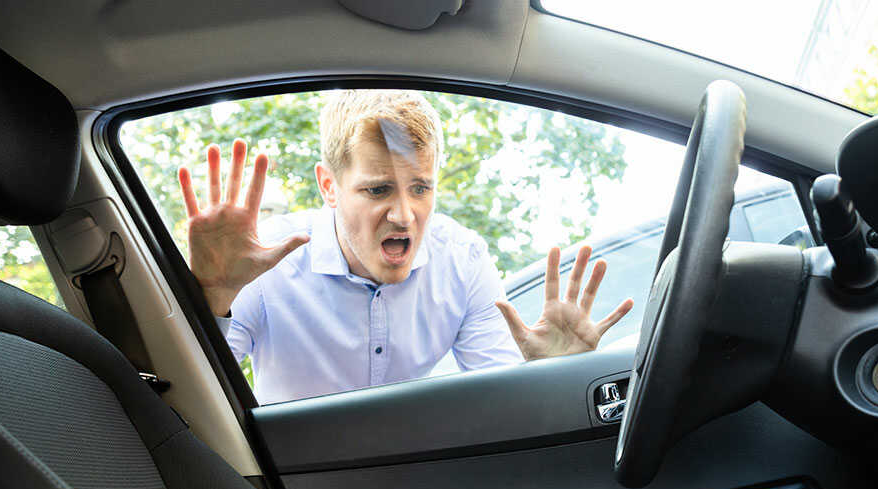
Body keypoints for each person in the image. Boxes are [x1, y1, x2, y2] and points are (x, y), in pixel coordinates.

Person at [177, 90, 634, 404]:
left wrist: (552, 378)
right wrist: (214, 298)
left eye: (420, 188)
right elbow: (195, 397)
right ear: (329, 187)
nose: (404, 215)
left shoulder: (463, 259)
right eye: (378, 190)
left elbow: (505, 399)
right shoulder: (265, 263)